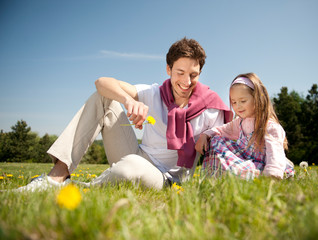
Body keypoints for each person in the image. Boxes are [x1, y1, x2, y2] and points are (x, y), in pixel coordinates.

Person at [17, 37, 232, 192]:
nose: (186, 82)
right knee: (104, 97)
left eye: (193, 75)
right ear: (168, 69)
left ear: (200, 73)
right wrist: (128, 101)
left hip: (165, 178)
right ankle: (56, 178)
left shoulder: (211, 107)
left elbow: (223, 148)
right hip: (136, 154)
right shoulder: (154, 93)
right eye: (180, 73)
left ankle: (78, 188)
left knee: (131, 166)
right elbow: (102, 83)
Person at [195, 73, 295, 180]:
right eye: (234, 102)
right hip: (245, 164)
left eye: (243, 101)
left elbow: (274, 153)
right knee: (215, 140)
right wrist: (205, 135)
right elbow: (220, 130)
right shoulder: (239, 123)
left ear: (257, 98)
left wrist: (271, 176)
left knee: (252, 173)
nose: (238, 106)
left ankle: (279, 168)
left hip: (264, 168)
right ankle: (215, 179)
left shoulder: (269, 126)